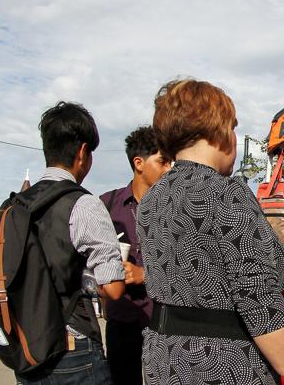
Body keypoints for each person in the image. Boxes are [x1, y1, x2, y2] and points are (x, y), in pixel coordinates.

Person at [137, 79, 284, 385]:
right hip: (222, 364)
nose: (233, 136)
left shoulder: (152, 198)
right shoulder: (225, 193)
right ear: (216, 129)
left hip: (164, 361)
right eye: (231, 126)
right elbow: (258, 299)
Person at [19, 102, 126, 384]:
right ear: (82, 152)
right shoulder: (83, 204)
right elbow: (113, 288)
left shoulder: (14, 206)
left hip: (24, 346)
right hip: (71, 348)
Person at [99, 126, 171, 385]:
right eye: (163, 161)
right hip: (122, 320)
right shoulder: (107, 205)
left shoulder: (175, 208)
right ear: (138, 163)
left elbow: (188, 267)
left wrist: (146, 275)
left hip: (164, 322)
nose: (169, 169)